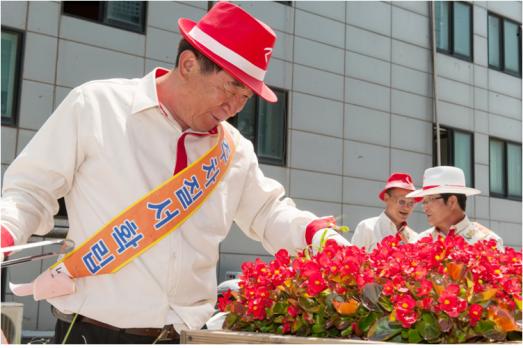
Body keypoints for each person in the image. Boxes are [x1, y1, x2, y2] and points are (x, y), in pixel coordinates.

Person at [0, 2, 349, 344]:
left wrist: (315, 234)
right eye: (230, 87)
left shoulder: (233, 150)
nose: (235, 107)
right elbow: (30, 190)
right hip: (92, 330)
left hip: (186, 337)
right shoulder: (96, 106)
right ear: (188, 64)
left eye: (246, 97)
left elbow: (268, 212)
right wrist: (6, 230)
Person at [406, 166, 503, 249]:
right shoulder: (418, 242)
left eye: (429, 200)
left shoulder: (487, 241)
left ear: (452, 201)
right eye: (424, 202)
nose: (424, 208)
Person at [351, 173, 419, 251]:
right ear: (386, 198)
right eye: (402, 201)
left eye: (411, 203)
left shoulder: (415, 237)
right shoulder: (367, 228)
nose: (406, 207)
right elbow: (354, 259)